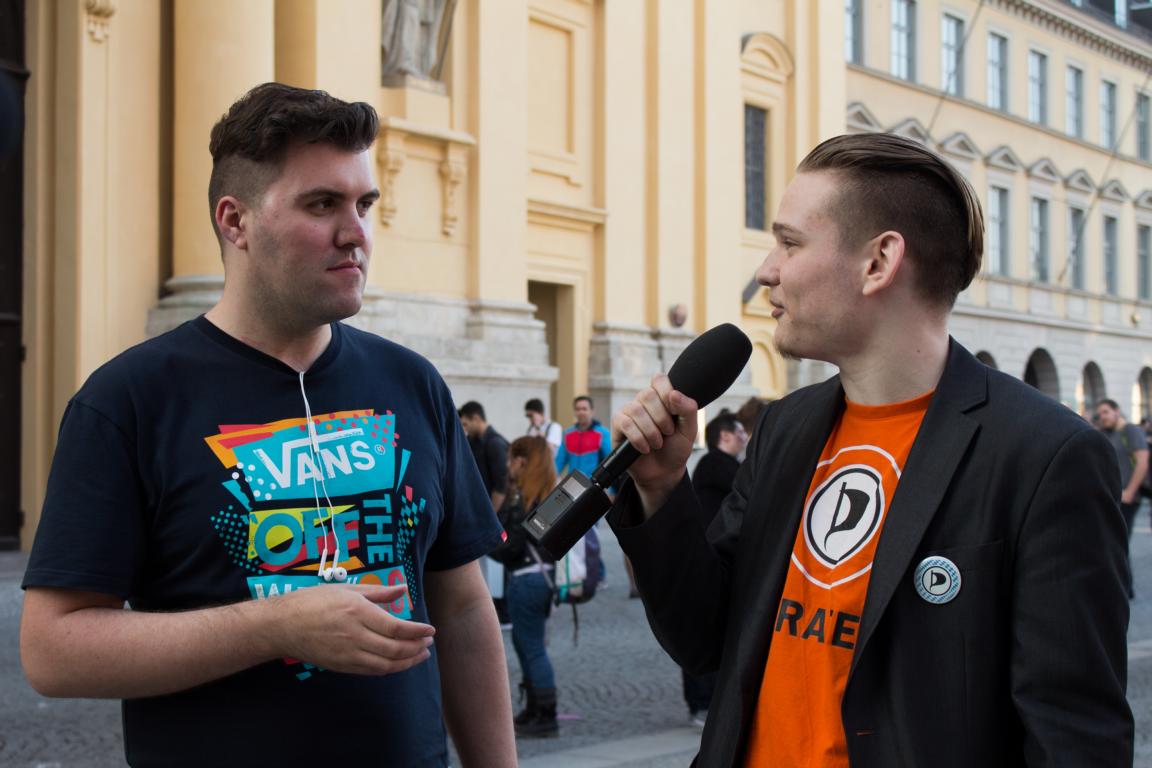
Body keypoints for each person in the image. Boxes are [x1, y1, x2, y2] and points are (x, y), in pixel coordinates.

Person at [19, 83, 515, 767]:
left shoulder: (413, 384)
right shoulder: (128, 401)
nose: (357, 233)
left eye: (364, 204)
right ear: (235, 221)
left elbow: (460, 609)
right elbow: (53, 651)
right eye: (322, 204)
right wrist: (272, 626)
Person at [608, 133, 1131, 766]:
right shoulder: (787, 427)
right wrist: (663, 487)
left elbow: (1074, 739)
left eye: (790, 242)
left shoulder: (1046, 456)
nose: (767, 270)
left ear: (879, 262)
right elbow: (710, 639)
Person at [488, 436, 561, 738]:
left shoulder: (523, 501)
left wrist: (488, 541)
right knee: (527, 645)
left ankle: (545, 713)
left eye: (510, 460)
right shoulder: (547, 497)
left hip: (526, 579)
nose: (507, 466)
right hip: (540, 578)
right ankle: (535, 708)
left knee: (530, 648)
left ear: (522, 461)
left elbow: (510, 548)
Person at [682, 410, 748, 728]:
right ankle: (703, 702)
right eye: (740, 433)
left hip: (710, 556)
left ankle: (706, 701)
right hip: (710, 558)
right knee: (704, 628)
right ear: (724, 435)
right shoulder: (718, 465)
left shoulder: (719, 466)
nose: (745, 438)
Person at [458, 400, 512, 625]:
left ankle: (505, 613)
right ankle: (495, 610)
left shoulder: (495, 443)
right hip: (487, 514)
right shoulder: (474, 442)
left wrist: (489, 516)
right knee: (490, 567)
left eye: (466, 423)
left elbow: (502, 485)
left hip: (499, 515)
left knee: (501, 564)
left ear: (476, 418)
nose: (464, 428)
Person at [1096, 398, 1148, 598]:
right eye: (1100, 413)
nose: (1103, 417)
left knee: (1119, 542)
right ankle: (1123, 587)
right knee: (1114, 541)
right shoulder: (1107, 433)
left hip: (1128, 498)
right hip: (1114, 496)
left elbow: (1142, 462)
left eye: (1106, 412)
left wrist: (1130, 491)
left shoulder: (1130, 431)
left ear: (1117, 411)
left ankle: (1125, 589)